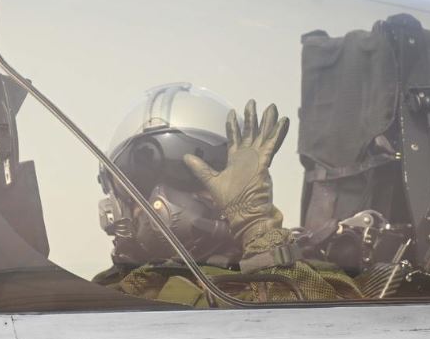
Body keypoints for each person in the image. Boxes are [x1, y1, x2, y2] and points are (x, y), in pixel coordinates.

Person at [93, 84, 362, 306]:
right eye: (141, 182)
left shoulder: (304, 276)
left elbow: (323, 334)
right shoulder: (100, 295)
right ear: (117, 202)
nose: (159, 201)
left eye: (188, 177)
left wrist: (259, 234)